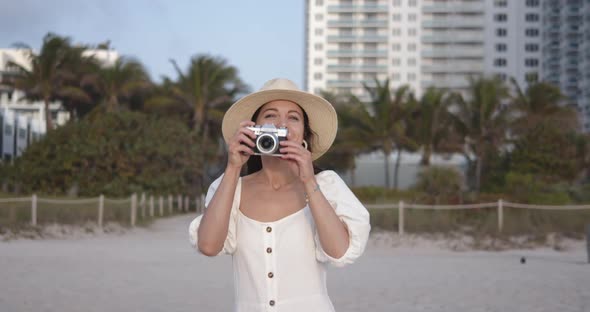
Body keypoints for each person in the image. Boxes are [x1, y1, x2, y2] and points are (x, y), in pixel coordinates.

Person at [188, 78, 370, 311]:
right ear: (254, 129)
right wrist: (233, 167)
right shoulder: (229, 188)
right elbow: (208, 246)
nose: (281, 124)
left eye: (293, 117)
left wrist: (307, 180)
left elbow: (339, 252)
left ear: (304, 133)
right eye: (270, 116)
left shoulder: (327, 185)